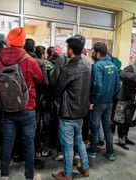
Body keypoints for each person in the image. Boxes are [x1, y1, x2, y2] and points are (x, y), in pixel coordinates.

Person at [0, 27, 43, 180]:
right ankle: (29, 176)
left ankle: (4, 174)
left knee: (8, 141)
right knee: (29, 143)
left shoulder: (1, 60)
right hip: (27, 107)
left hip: (7, 107)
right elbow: (40, 79)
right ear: (23, 42)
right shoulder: (30, 61)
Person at [52, 35, 90, 180]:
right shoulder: (87, 65)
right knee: (79, 140)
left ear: (70, 50)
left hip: (68, 111)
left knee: (67, 145)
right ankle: (85, 168)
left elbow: (58, 89)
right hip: (81, 111)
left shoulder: (69, 68)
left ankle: (67, 175)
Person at [88, 42, 121, 161]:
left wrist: (93, 100)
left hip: (98, 102)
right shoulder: (113, 65)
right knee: (107, 127)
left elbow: (97, 85)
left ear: (97, 53)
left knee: (95, 127)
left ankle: (92, 152)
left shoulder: (98, 66)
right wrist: (110, 95)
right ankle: (110, 153)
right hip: (109, 102)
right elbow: (118, 84)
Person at [115, 58, 136, 150]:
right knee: (121, 119)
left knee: (128, 120)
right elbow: (121, 74)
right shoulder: (130, 68)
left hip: (132, 99)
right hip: (124, 98)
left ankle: (125, 137)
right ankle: (120, 139)